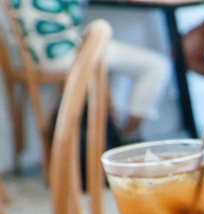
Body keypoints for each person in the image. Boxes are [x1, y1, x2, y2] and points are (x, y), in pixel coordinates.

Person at [11, 0, 171, 139]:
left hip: (33, 57)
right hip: (65, 52)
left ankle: (114, 131)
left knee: (114, 69)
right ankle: (128, 135)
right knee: (157, 65)